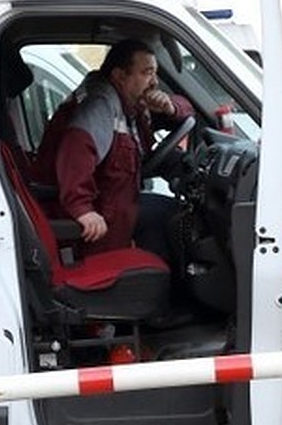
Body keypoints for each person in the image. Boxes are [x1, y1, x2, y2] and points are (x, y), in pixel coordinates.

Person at [33, 38, 193, 259]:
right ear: (120, 75)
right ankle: (162, 283)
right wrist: (83, 209)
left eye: (155, 73)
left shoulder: (131, 104)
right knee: (168, 214)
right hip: (98, 216)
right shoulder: (101, 106)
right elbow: (75, 155)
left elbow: (187, 110)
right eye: (147, 72)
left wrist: (170, 107)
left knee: (163, 212)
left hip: (115, 204)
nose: (155, 82)